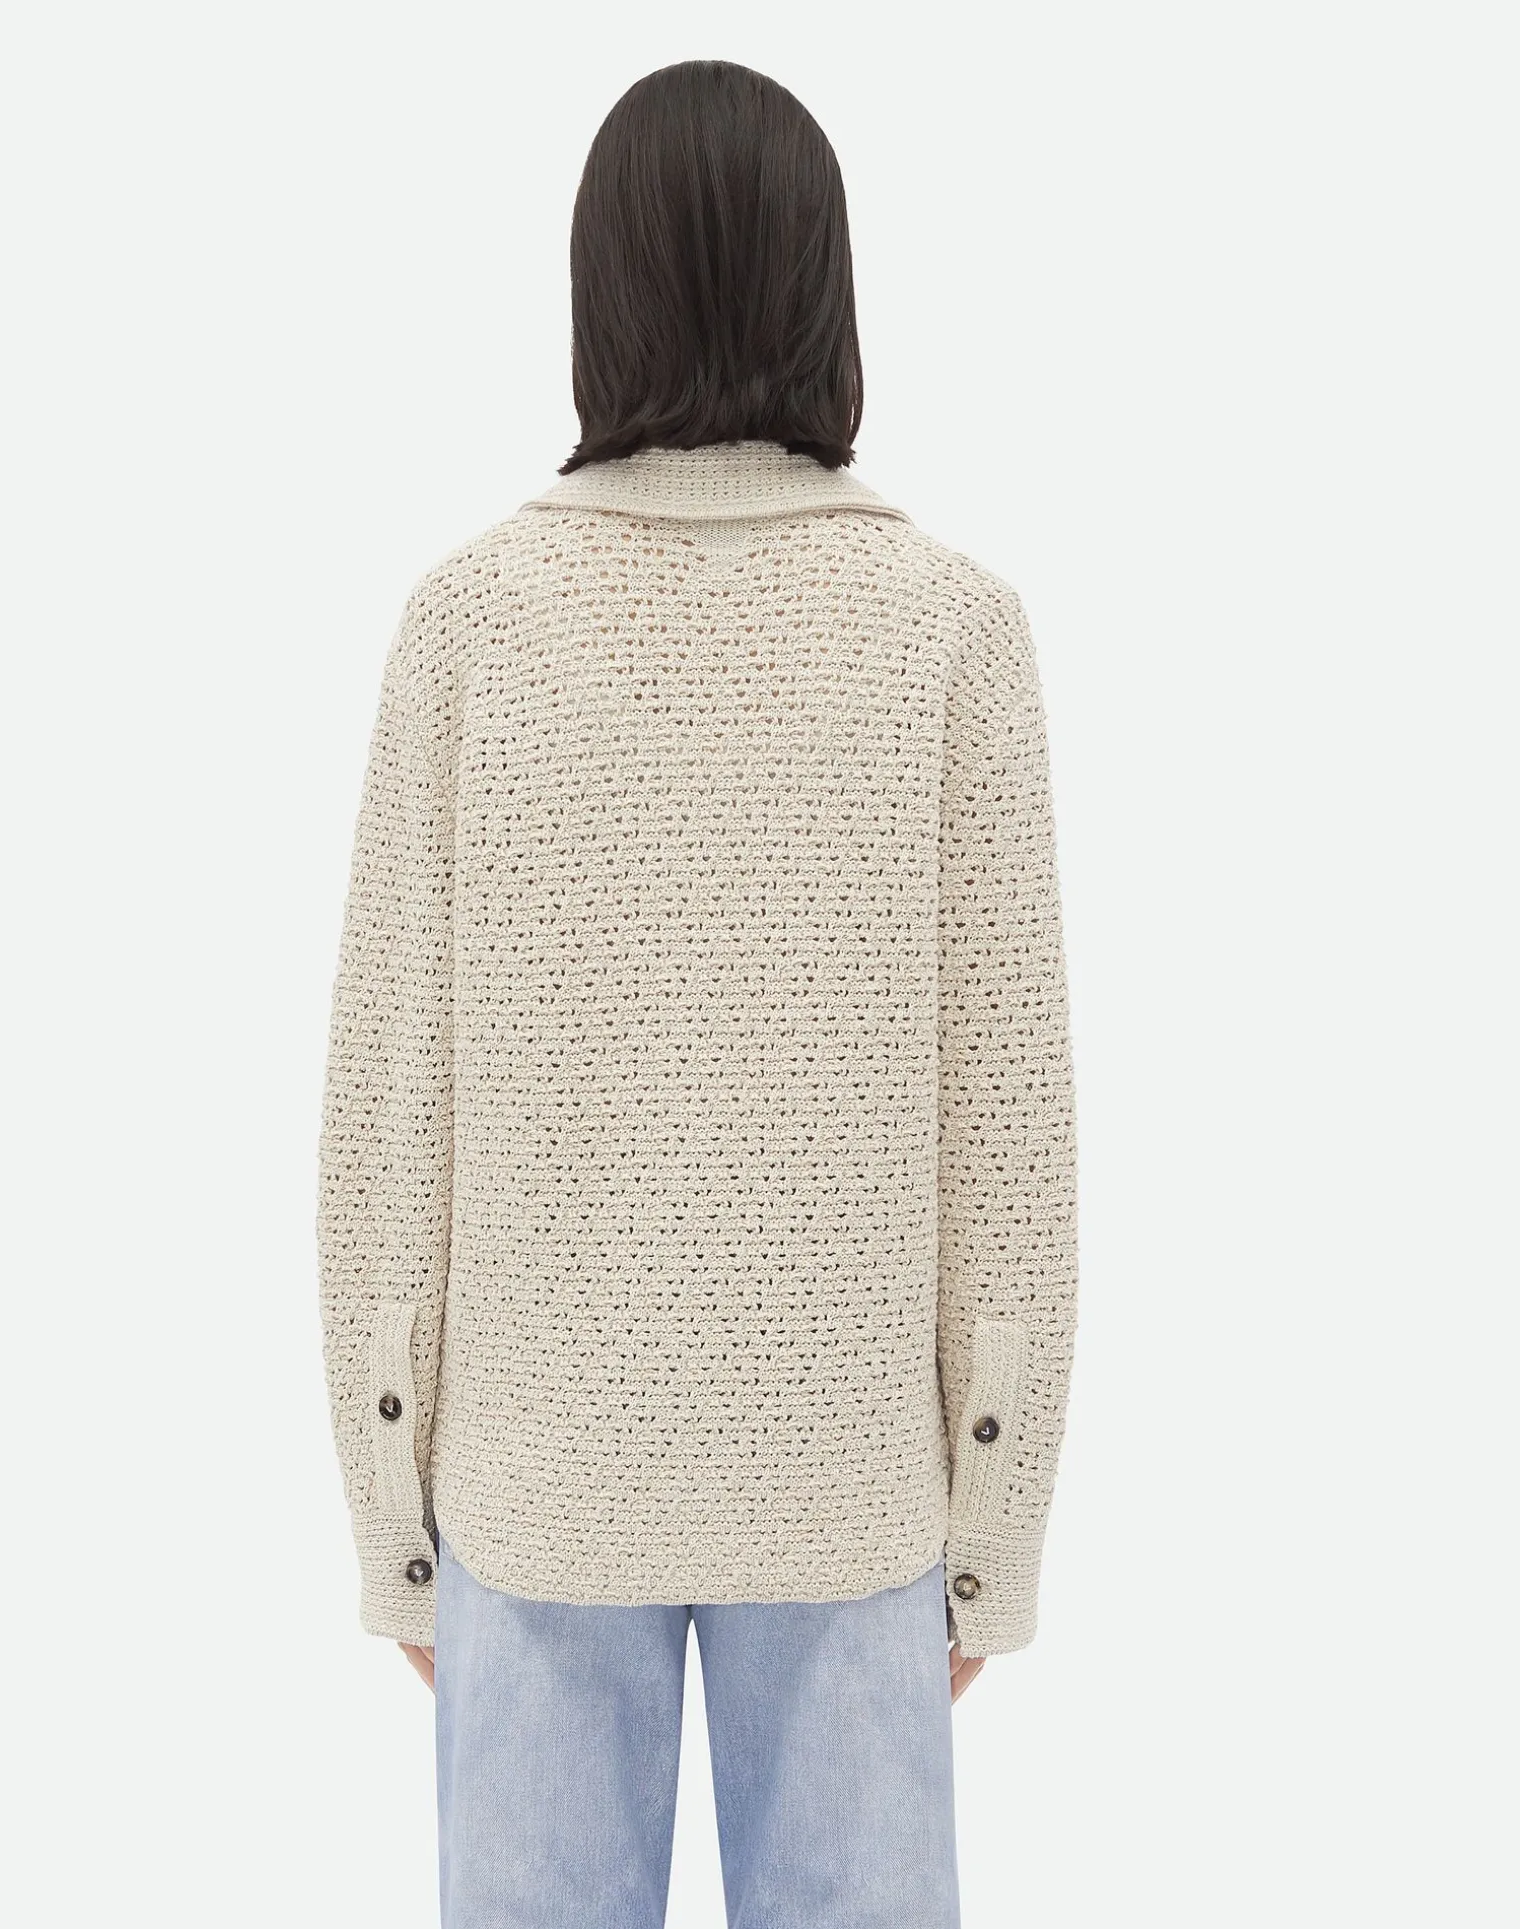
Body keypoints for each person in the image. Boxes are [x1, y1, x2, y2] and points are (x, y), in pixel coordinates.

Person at [317, 57, 1078, 1929]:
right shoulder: (950, 629)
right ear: (827, 288)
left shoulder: (472, 621)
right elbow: (1008, 1131)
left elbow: (387, 1107)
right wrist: (991, 1526)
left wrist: (394, 1507)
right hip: (850, 1500)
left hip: (533, 1493)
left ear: (600, 290)